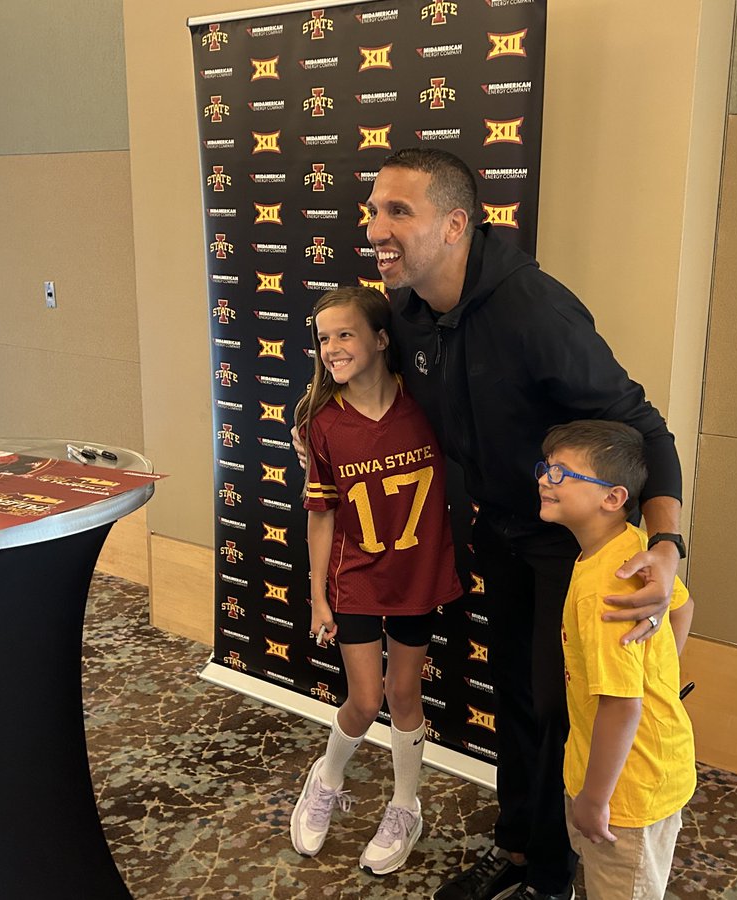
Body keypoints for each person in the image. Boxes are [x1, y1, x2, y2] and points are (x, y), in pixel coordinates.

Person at [295, 149, 684, 899]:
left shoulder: (536, 311)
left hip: (572, 549)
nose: (375, 227)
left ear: (455, 224)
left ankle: (553, 871)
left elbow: (647, 432)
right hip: (499, 534)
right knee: (513, 699)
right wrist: (316, 420)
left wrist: (668, 548)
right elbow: (358, 373)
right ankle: (519, 852)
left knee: (554, 702)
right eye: (373, 210)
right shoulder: (405, 313)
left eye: (396, 212)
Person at [289, 286, 465, 876]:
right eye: (323, 338)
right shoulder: (322, 422)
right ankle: (327, 777)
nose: (332, 348)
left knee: (405, 695)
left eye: (346, 334)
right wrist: (317, 596)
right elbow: (322, 514)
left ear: (381, 338)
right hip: (356, 574)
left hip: (417, 572)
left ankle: (404, 804)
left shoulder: (426, 405)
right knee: (365, 699)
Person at [537, 420, 694, 899]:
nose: (544, 479)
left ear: (612, 497)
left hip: (626, 796)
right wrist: (658, 674)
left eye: (563, 473)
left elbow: (623, 705)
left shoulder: (608, 585)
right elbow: (683, 606)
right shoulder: (633, 548)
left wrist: (595, 799)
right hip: (624, 773)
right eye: (545, 467)